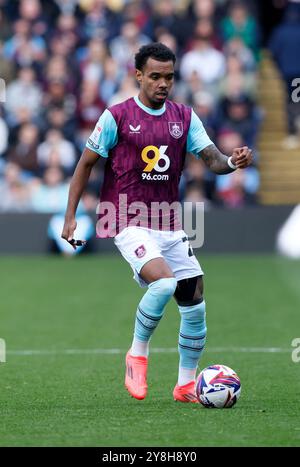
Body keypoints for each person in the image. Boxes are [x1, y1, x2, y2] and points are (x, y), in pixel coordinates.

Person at [61, 43, 252, 403]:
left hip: (169, 221)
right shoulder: (116, 116)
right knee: (163, 284)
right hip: (124, 217)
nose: (163, 83)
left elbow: (210, 157)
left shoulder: (184, 116)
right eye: (155, 76)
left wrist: (231, 162)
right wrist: (71, 216)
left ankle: (184, 384)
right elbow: (85, 165)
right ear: (139, 76)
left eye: (169, 77)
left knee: (194, 302)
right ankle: (136, 356)